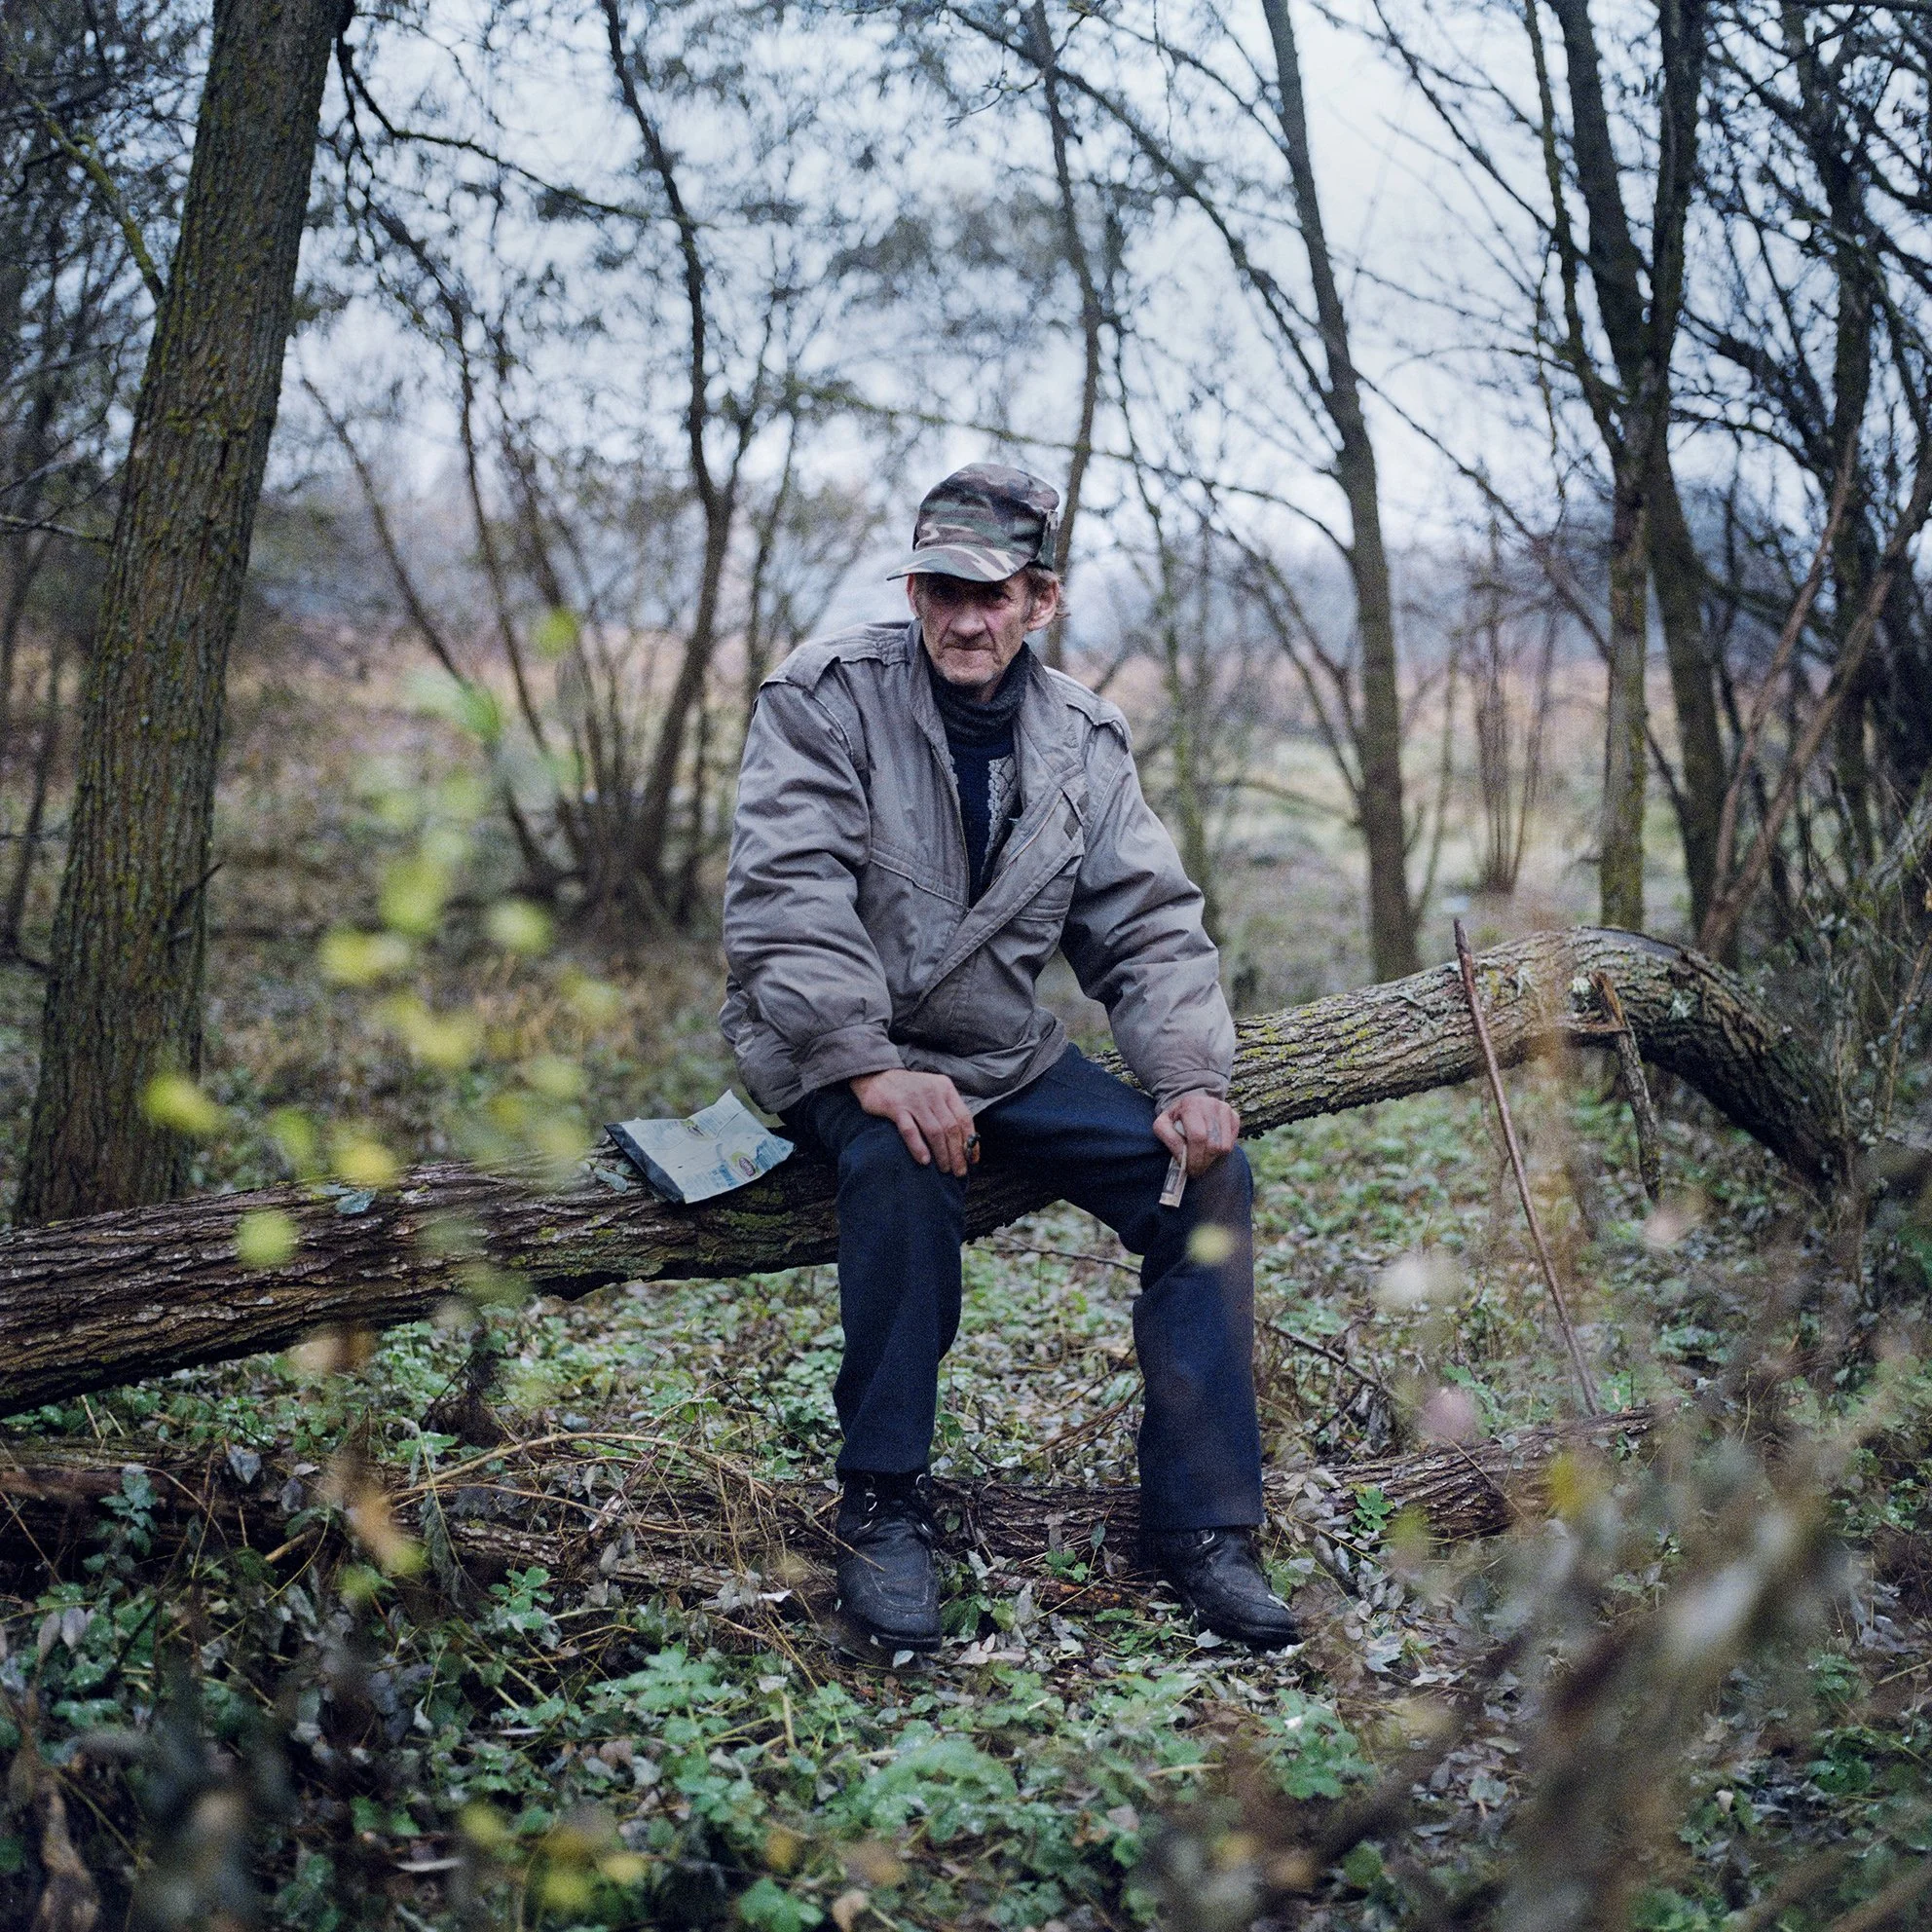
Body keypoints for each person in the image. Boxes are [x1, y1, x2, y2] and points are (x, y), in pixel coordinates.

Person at [721, 463, 1297, 1654]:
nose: (965, 618)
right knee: (901, 1162)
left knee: (1205, 1187)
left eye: (996, 594)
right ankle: (881, 1504)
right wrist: (868, 1066)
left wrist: (1192, 1076)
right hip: (832, 1043)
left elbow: (1142, 921)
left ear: (1043, 600)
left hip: (995, 1047)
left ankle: (1201, 1529)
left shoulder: (1082, 740)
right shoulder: (824, 695)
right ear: (916, 587)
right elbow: (785, 897)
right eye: (942, 588)